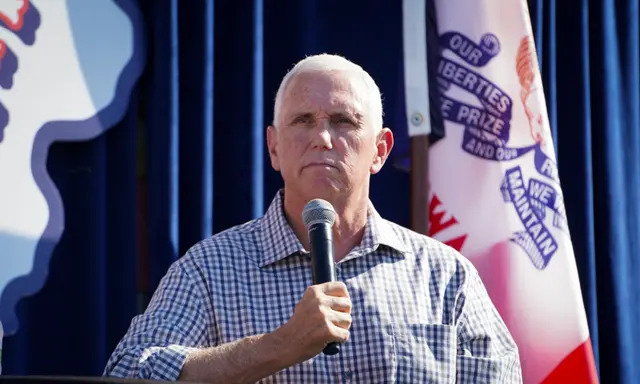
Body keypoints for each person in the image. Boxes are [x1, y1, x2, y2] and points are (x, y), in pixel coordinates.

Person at [104, 54, 522, 383]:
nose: (323, 137)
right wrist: (280, 345)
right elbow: (128, 372)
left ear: (379, 149)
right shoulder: (209, 271)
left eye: (343, 122)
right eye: (303, 121)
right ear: (273, 147)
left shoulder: (445, 276)